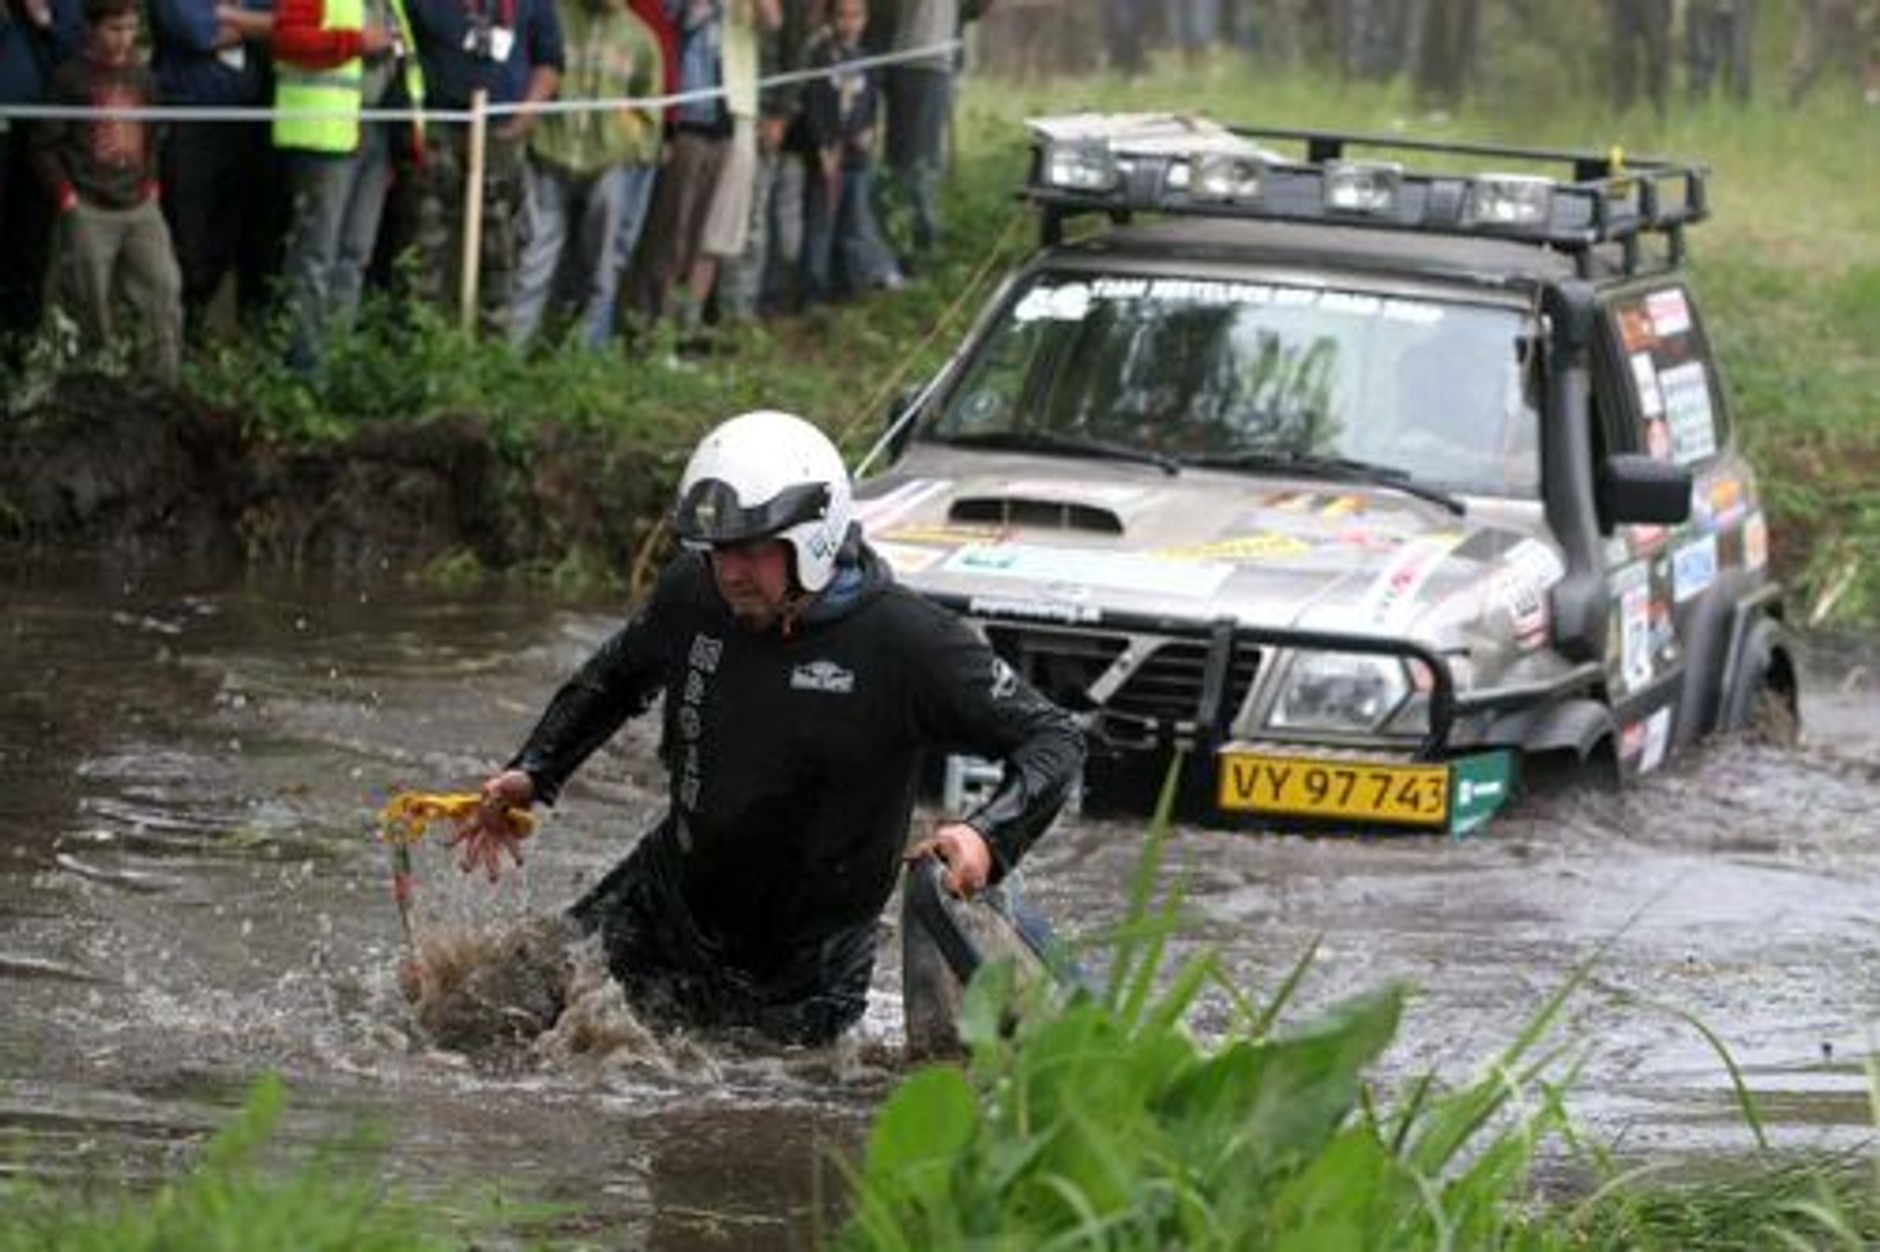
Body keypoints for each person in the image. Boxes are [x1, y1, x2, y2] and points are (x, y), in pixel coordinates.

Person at [449, 410, 1085, 1047]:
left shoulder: (909, 643)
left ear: (813, 539)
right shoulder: (692, 596)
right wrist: (536, 770)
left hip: (806, 965)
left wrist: (987, 836)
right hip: (667, 899)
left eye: (752, 549)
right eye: (719, 549)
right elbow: (614, 678)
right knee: (488, 1018)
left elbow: (1055, 739)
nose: (729, 572)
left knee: (745, 1112)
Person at [30, 0, 184, 382]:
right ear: (93, 29)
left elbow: (153, 134)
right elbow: (44, 144)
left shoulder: (143, 77)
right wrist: (67, 198)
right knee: (87, 300)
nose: (124, 38)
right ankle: (91, 382)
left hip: (139, 204)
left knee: (163, 288)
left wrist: (151, 184)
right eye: (115, 29)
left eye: (131, 28)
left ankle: (162, 384)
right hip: (89, 206)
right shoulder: (70, 78)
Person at [271, 0, 425, 373]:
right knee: (315, 254)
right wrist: (354, 42)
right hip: (325, 135)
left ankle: (336, 363)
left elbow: (405, 71)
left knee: (355, 255)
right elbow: (286, 39)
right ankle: (304, 370)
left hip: (376, 134)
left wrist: (405, 141)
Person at [507, 0, 662, 349]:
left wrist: (623, 140)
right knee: (535, 258)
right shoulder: (552, 18)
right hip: (550, 154)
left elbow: (649, 109)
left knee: (602, 267)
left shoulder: (639, 37)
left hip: (608, 165)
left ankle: (588, 356)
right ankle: (510, 353)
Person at [405, 0, 563, 333]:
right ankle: (423, 340)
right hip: (440, 127)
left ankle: (490, 347)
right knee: (427, 239)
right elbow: (405, 47)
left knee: (500, 246)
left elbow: (549, 60)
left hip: (502, 132)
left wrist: (525, 116)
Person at [147, 0, 282, 341]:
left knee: (246, 235)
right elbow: (196, 34)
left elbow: (282, 25)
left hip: (250, 122)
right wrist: (251, 29)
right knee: (190, 240)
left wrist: (224, 15)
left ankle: (247, 344)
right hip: (190, 119)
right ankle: (181, 338)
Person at [799, 0, 899, 302]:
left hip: (858, 159)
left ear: (865, 19)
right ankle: (813, 293)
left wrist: (869, 131)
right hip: (828, 158)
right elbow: (813, 105)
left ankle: (853, 287)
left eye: (855, 16)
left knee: (856, 222)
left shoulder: (867, 60)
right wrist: (822, 145)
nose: (848, 23)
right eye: (842, 15)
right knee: (821, 226)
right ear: (831, 18)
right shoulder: (821, 57)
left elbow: (871, 103)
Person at [0, 0, 83, 354]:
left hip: (40, 136)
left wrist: (43, 17)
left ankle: (18, 359)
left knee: (30, 252)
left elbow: (77, 52)